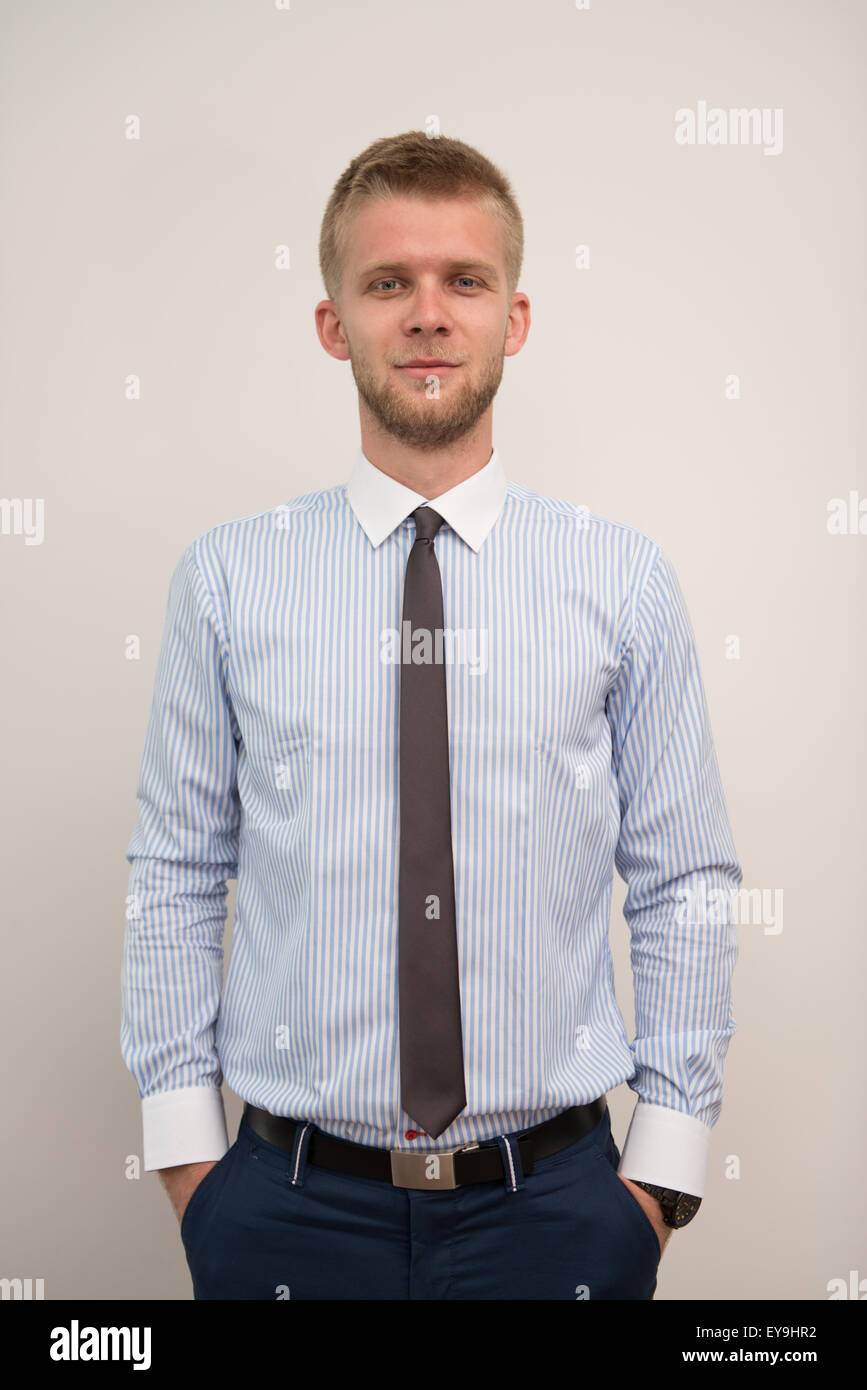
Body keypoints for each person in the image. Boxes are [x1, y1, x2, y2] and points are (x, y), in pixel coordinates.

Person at [121, 130, 742, 1301]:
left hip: (558, 1213)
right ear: (333, 322)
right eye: (387, 282)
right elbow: (174, 873)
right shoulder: (228, 580)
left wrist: (659, 1182)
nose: (427, 313)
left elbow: (685, 879)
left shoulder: (621, 578)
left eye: (464, 280)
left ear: (513, 318)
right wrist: (192, 1169)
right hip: (283, 1212)